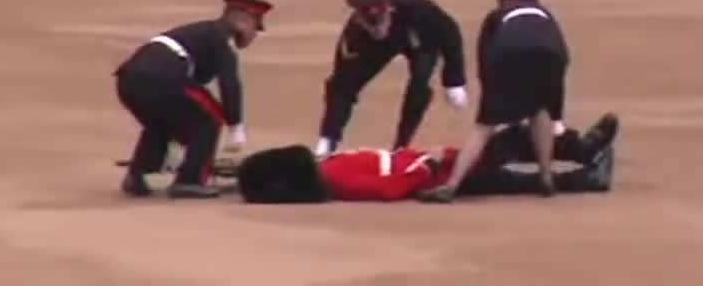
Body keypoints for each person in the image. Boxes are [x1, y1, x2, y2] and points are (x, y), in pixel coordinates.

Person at [239, 114, 619, 203]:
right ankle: (584, 172)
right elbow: (389, 187)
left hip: (435, 164)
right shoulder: (341, 181)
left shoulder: (329, 170)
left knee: (512, 155)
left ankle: (581, 154)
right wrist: (431, 166)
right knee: (512, 160)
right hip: (438, 175)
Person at [416, 0, 570, 203]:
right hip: (551, 56)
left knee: (484, 126)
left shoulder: (498, 14)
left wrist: (490, 98)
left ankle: (451, 185)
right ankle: (546, 177)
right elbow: (562, 56)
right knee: (540, 110)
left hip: (506, 56)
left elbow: (484, 56)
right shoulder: (546, 15)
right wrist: (557, 114)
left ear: (503, 1)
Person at [113, 0, 272, 198]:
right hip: (161, 76)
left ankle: (140, 174)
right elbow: (230, 82)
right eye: (255, 27)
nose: (254, 35)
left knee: (162, 123)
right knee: (208, 119)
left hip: (130, 79)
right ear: (243, 20)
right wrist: (235, 125)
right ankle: (191, 180)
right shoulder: (223, 37)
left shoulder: (204, 33)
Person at [314, 0, 468, 157]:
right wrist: (328, 133)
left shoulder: (416, 6)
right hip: (377, 47)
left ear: (390, 9)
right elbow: (342, 80)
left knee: (420, 82)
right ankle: (328, 142)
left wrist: (454, 81)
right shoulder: (354, 36)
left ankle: (401, 146)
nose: (377, 29)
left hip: (418, 40)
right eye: (370, 26)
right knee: (342, 85)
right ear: (359, 19)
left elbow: (450, 32)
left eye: (380, 23)